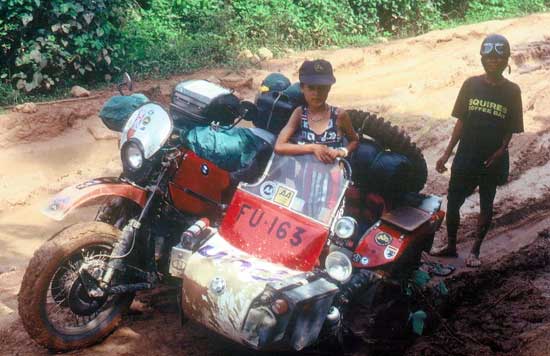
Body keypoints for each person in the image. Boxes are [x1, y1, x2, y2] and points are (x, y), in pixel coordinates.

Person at [432, 34, 523, 267]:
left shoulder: (513, 91)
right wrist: (447, 152)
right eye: (489, 57)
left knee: (486, 202)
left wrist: (500, 151)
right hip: (467, 153)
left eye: (498, 58)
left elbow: (510, 129)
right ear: (482, 59)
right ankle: (451, 246)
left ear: (506, 61)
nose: (493, 61)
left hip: (492, 159)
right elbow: (460, 122)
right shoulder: (471, 84)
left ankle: (475, 251)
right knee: (453, 201)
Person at [274, 59, 359, 162]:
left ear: (329, 88)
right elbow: (279, 146)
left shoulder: (339, 115)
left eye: (322, 88)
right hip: (304, 175)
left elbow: (354, 141)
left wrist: (342, 151)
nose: (316, 93)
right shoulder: (300, 113)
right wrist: (312, 148)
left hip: (333, 174)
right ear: (302, 88)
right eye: (311, 88)